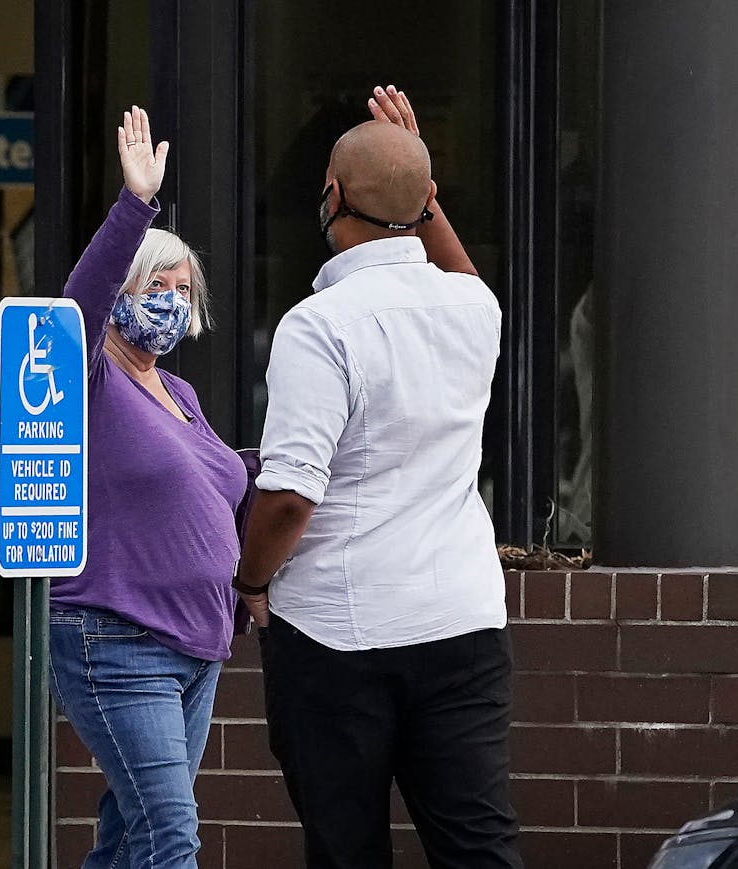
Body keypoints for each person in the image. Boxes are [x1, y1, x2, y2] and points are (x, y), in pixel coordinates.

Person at [234, 86, 523, 868]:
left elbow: (291, 492)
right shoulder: (476, 311)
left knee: (347, 847)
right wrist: (418, 193)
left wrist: (251, 578)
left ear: (330, 198)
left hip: (336, 628)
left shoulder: (318, 324)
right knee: (478, 845)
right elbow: (462, 273)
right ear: (429, 202)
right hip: (462, 619)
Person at [48, 105, 247, 869]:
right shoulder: (91, 377)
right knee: (172, 836)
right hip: (118, 637)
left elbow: (225, 482)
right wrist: (135, 206)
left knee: (132, 836)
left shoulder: (181, 395)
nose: (169, 297)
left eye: (182, 286)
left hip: (197, 642)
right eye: (154, 282)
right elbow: (80, 302)